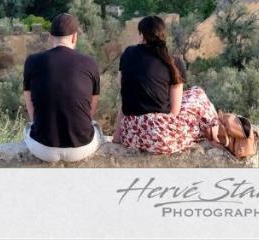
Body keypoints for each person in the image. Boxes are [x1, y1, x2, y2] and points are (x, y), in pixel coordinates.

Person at [114, 15, 219, 154]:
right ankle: (215, 137)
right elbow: (175, 111)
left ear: (141, 35)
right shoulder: (173, 62)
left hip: (130, 135)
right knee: (197, 93)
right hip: (160, 138)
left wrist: (116, 135)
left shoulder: (127, 53)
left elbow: (125, 93)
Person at [22, 13, 105, 163]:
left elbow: (29, 102)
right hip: (81, 148)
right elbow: (91, 108)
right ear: (74, 37)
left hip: (42, 149)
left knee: (28, 127)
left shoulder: (32, 61)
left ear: (49, 36)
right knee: (96, 127)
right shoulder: (90, 62)